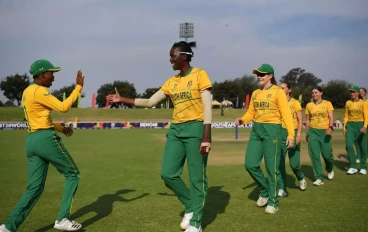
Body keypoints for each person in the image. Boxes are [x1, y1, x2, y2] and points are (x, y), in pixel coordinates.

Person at [106, 41, 212, 232]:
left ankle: (196, 221)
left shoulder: (200, 75)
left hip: (196, 130)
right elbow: (150, 101)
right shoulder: (171, 82)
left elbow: (207, 107)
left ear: (184, 56)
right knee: (168, 174)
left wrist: (206, 136)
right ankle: (190, 204)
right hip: (176, 131)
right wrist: (123, 100)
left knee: (197, 178)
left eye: (173, 55)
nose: (170, 59)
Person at [0, 59, 84, 232]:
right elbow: (63, 107)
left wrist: (61, 128)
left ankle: (8, 227)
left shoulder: (27, 92)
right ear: (42, 74)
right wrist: (78, 88)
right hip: (45, 139)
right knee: (73, 174)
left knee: (35, 187)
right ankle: (63, 219)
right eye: (51, 74)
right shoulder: (39, 91)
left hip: (31, 142)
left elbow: (42, 119)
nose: (53, 78)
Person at [235, 64, 295, 214]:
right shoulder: (255, 93)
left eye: (263, 74)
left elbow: (286, 114)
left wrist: (291, 135)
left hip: (273, 131)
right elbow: (251, 113)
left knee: (271, 168)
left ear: (270, 76)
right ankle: (264, 190)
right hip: (256, 130)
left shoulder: (278, 92)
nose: (259, 77)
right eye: (258, 75)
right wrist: (242, 120)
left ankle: (273, 201)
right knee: (250, 164)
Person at [277, 82, 307, 197]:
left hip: (293, 133)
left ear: (289, 90)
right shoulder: (277, 103)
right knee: (280, 163)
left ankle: (301, 178)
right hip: (280, 133)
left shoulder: (295, 103)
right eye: (279, 88)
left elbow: (300, 120)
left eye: (283, 88)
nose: (281, 90)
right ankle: (282, 188)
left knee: (294, 164)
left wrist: (298, 134)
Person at [305, 86, 335, 186]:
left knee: (327, 156)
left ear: (321, 93)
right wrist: (307, 132)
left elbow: (331, 116)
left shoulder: (327, 104)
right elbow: (308, 119)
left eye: (316, 92)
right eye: (313, 93)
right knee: (315, 156)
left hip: (324, 132)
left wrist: (330, 127)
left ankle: (329, 168)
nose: (314, 94)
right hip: (313, 131)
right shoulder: (309, 105)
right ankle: (319, 178)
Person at [344, 86, 368, 175]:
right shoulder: (348, 103)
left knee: (363, 147)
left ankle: (363, 167)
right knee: (349, 145)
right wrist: (344, 128)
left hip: (361, 124)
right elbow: (346, 116)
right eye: (351, 92)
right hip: (350, 125)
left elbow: (366, 116)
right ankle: (353, 166)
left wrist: (365, 126)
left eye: (354, 92)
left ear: (358, 93)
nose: (352, 93)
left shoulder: (363, 103)